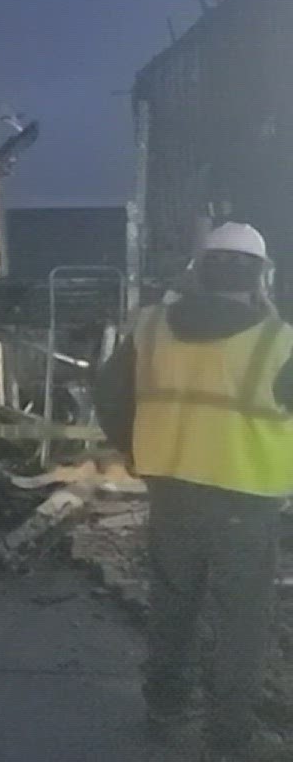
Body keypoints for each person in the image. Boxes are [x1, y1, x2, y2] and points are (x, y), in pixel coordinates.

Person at [96, 221, 293, 759]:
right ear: (261, 277)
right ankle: (230, 736)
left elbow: (108, 396)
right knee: (240, 622)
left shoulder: (151, 329)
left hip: (172, 492)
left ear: (199, 272)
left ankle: (165, 709)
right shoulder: (278, 341)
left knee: (173, 608)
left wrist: (137, 451)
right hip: (246, 503)